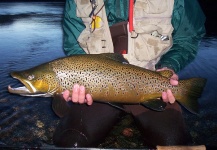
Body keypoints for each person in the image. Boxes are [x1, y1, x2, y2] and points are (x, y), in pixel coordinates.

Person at [53, 0, 206, 148]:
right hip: (97, 91)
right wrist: (77, 81)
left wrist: (169, 66)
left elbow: (188, 37)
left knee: (173, 144)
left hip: (150, 82)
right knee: (72, 143)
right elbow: (73, 45)